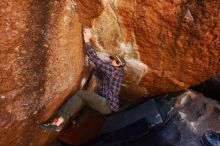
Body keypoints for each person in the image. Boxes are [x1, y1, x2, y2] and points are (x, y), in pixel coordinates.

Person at [39, 30, 126, 132]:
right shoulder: (114, 73)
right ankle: (75, 123)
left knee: (81, 95)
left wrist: (87, 41)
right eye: (112, 58)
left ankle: (59, 122)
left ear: (119, 65)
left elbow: (96, 60)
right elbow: (99, 73)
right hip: (106, 107)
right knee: (87, 106)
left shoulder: (115, 71)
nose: (112, 60)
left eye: (115, 61)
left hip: (107, 104)